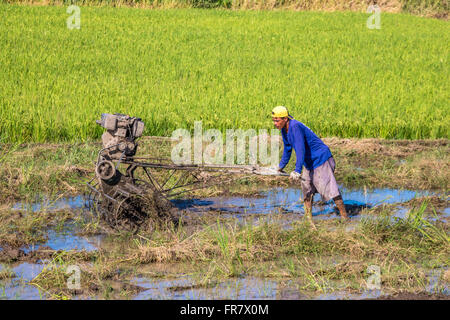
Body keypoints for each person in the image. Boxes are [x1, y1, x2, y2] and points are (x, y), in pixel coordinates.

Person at [271, 106, 348, 227]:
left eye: (277, 120)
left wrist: (297, 170)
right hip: (308, 162)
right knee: (307, 190)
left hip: (320, 159)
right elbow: (287, 149)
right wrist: (280, 167)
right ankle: (309, 219)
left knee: (330, 190)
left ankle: (345, 217)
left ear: (285, 119)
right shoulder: (283, 130)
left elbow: (300, 149)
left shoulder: (295, 126)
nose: (275, 123)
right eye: (273, 120)